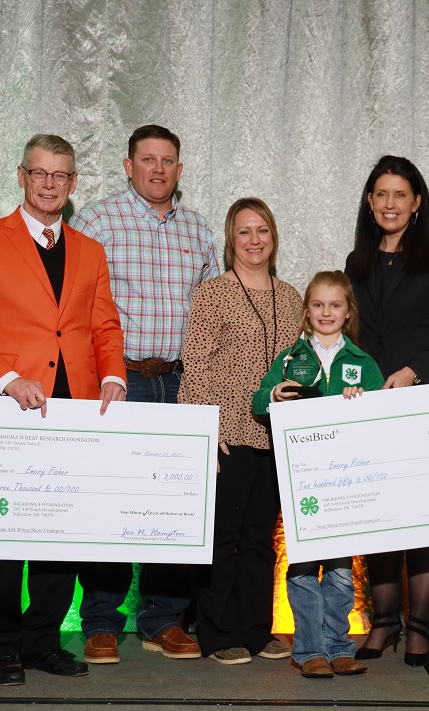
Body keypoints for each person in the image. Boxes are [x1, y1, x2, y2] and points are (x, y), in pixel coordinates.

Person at [0, 134, 127, 686]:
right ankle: (0, 643)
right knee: (6, 534)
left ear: (73, 185)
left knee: (63, 531)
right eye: (40, 174)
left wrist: (114, 375)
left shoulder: (91, 250)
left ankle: (43, 638)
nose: (50, 185)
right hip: (11, 409)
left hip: (73, 410)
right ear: (21, 176)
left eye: (61, 176)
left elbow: (103, 326)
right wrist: (3, 379)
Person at [70, 124, 219, 664]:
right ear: (128, 166)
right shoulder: (95, 221)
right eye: (148, 159)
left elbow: (212, 315)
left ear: (180, 169)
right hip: (119, 378)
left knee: (172, 501)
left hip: (181, 381)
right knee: (110, 501)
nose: (158, 169)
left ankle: (163, 619)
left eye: (168, 160)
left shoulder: (201, 231)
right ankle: (101, 622)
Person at [344, 155, 429, 666]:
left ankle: (418, 628)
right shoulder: (357, 262)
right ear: (370, 201)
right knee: (378, 517)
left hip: (425, 406)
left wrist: (413, 372)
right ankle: (383, 624)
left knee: (423, 519)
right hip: (371, 409)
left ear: (417, 203)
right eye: (381, 194)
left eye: (401, 194)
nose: (390, 203)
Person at [178, 198, 302, 665]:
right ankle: (219, 633)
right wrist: (203, 432)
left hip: (275, 438)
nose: (255, 240)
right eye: (245, 231)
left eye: (262, 230)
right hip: (229, 431)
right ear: (231, 239)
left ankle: (256, 629)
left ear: (273, 236)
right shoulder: (212, 294)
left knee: (260, 540)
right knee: (221, 537)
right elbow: (196, 367)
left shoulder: (290, 296)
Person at [252, 271, 385, 678]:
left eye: (335, 305)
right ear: (307, 312)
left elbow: (382, 414)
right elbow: (260, 400)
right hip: (302, 483)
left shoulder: (362, 363)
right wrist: (274, 394)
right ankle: (309, 650)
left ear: (347, 313)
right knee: (305, 567)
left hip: (345, 483)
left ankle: (340, 646)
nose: (326, 312)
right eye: (318, 305)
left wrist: (360, 402)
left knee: (343, 571)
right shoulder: (291, 359)